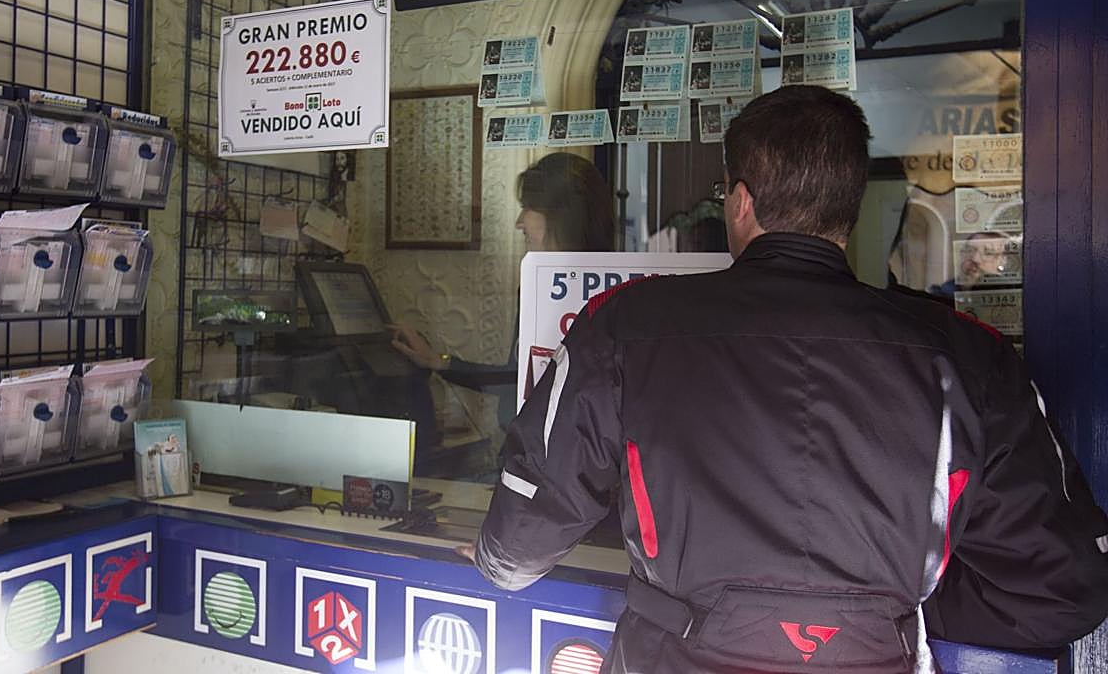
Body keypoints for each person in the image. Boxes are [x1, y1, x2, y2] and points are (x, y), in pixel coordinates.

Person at [469, 85, 1108, 673]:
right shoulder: (970, 356)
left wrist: (496, 564)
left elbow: (526, 531)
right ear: (847, 212)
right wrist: (888, 609)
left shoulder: (627, 327)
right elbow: (1065, 587)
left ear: (741, 200)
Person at [390, 151, 614, 431]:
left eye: (529, 207)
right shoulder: (534, 287)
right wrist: (438, 361)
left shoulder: (614, 297)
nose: (519, 222)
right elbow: (516, 381)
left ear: (561, 216)